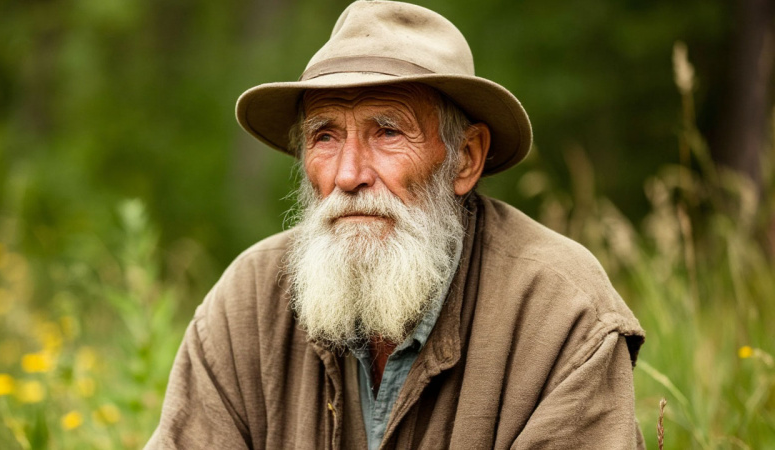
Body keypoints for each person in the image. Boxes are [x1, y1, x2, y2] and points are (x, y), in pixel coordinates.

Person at [146, 1, 646, 448]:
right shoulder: (250, 303)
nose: (348, 175)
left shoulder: (560, 313)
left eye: (387, 132)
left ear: (466, 158)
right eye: (325, 136)